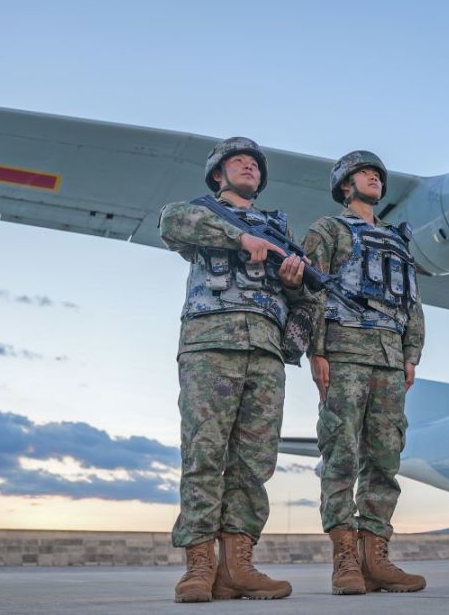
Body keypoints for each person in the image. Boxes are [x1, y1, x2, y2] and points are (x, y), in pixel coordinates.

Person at [160, 136, 310, 602]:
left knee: (254, 463)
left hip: (264, 352)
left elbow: (308, 301)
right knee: (205, 453)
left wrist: (294, 285)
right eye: (237, 162)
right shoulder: (202, 214)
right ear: (218, 175)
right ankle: (199, 567)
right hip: (210, 344)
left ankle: (238, 566)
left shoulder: (280, 232)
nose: (249, 167)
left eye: (254, 164)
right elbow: (171, 222)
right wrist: (240, 237)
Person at [302, 150, 426, 595]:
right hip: (344, 354)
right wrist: (316, 350)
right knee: (341, 454)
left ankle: (377, 558)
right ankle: (345, 561)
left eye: (376, 173)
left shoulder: (396, 241)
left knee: (385, 458)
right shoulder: (328, 230)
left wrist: (411, 353)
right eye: (363, 173)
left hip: (390, 360)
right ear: (345, 186)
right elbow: (311, 290)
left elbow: (412, 304)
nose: (373, 176)